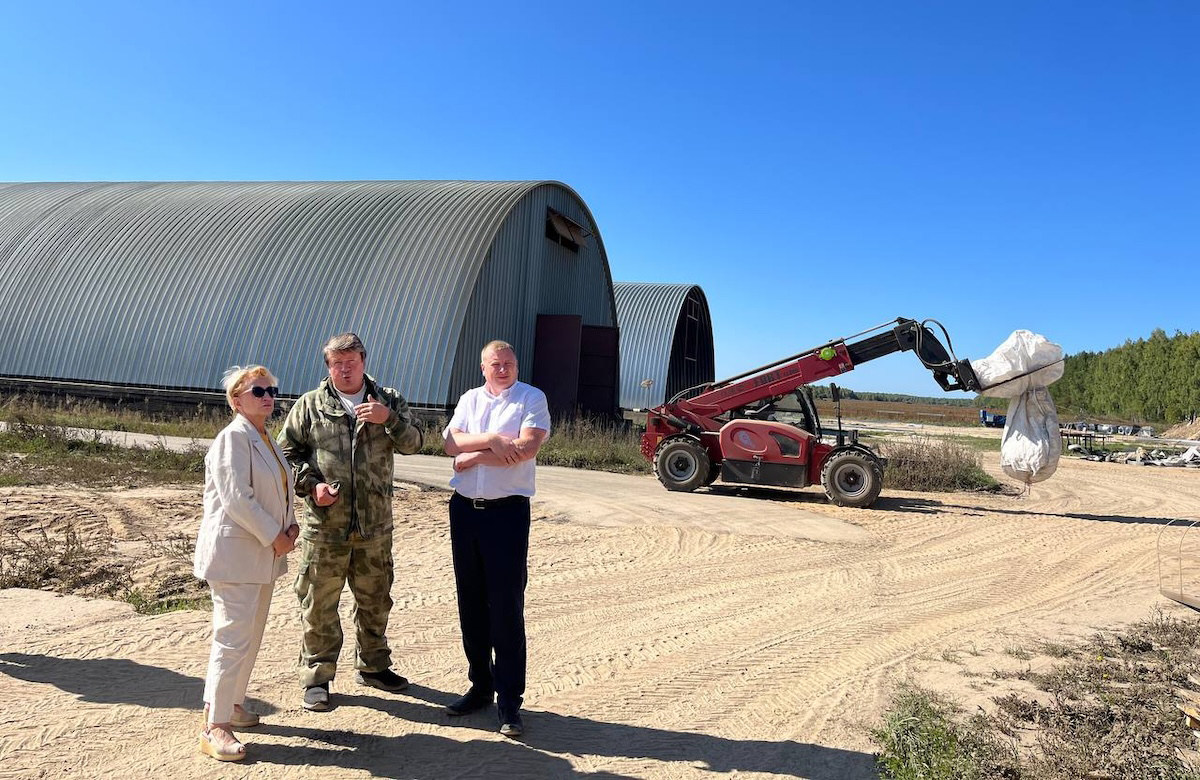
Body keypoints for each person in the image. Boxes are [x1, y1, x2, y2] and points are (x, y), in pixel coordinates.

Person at [279, 332, 423, 711]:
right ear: (328, 366)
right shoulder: (310, 406)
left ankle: (374, 666)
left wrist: (388, 419)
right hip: (325, 528)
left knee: (375, 600)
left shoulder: (388, 400)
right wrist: (311, 486)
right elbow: (286, 454)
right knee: (318, 604)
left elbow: (415, 443)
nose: (344, 370)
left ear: (364, 361)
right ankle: (317, 677)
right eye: (337, 363)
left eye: (351, 362)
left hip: (374, 527)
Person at [442, 340, 550, 737]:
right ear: (483, 367)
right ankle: (480, 686)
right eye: (496, 363)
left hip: (506, 514)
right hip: (465, 510)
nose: (503, 369)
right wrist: (494, 439)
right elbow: (450, 443)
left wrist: (476, 454)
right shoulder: (469, 400)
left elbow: (526, 448)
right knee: (470, 601)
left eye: (509, 363)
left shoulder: (531, 398)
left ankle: (509, 701)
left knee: (505, 605)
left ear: (516, 366)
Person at [193, 365, 299, 762]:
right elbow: (237, 498)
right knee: (232, 638)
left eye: (271, 389)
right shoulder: (232, 438)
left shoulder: (264, 436)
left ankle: (232, 704)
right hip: (236, 555)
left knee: (250, 635)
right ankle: (214, 725)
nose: (268, 396)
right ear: (237, 400)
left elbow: (279, 489)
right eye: (257, 390)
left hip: (263, 555)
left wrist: (288, 526)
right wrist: (276, 534)